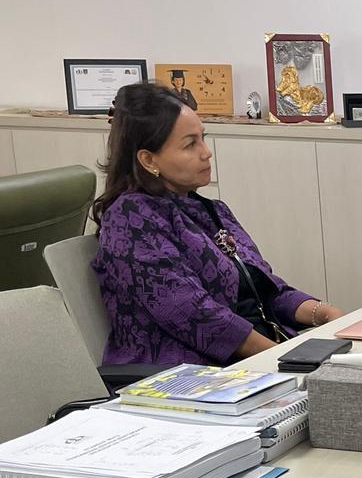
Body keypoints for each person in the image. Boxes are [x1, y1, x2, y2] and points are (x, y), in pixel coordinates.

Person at [92, 82, 343, 366]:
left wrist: (324, 313)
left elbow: (265, 290)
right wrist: (284, 356)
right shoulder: (131, 218)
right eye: (190, 144)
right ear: (149, 160)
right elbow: (195, 316)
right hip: (188, 373)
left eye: (203, 138)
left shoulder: (211, 210)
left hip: (257, 359)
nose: (206, 152)